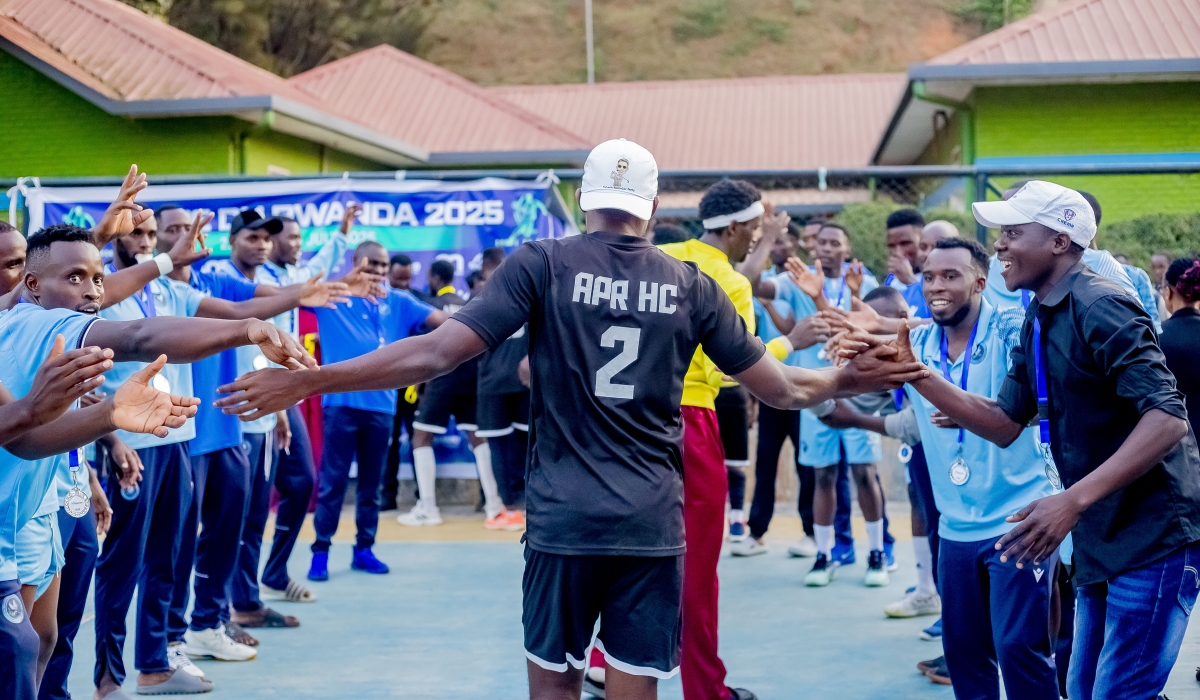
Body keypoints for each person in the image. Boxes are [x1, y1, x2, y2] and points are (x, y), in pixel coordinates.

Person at [215, 138, 928, 700]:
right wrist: (848, 374)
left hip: (564, 519)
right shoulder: (692, 284)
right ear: (651, 206)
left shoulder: (541, 263)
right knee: (635, 680)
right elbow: (779, 388)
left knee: (555, 682)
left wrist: (309, 379)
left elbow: (435, 354)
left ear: (586, 198)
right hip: (652, 520)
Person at [862, 180, 1200, 699]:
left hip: (1153, 537)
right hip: (1101, 536)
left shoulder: (1101, 304)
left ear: (1060, 242)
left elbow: (1167, 417)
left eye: (1013, 232)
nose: (999, 244)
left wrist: (1071, 501)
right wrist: (917, 374)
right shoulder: (1039, 316)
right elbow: (1003, 421)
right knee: (1084, 690)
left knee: (1119, 693)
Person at [7, 223, 311, 699]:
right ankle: (114, 678)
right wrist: (244, 331)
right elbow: (142, 335)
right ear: (31, 284)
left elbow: (29, 439)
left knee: (46, 637)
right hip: (17, 517)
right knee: (26, 643)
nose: (91, 291)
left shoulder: (47, 325)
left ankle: (148, 660)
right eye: (74, 279)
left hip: (47, 501)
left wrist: (100, 435)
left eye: (97, 278)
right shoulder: (36, 323)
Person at [93, 211, 323, 696]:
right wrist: (110, 442)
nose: (151, 242)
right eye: (141, 233)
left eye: (155, 234)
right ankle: (107, 678)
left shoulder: (174, 293)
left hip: (175, 439)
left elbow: (233, 313)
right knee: (121, 566)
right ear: (113, 237)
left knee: (167, 559)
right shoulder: (102, 296)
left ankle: (155, 663)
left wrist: (275, 317)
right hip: (131, 446)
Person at [829, 239, 1061, 695]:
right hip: (955, 527)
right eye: (930, 276)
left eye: (951, 276)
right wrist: (841, 358)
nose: (937, 285)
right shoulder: (912, 344)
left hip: (1020, 519)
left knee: (1018, 648)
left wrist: (960, 403)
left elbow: (1024, 411)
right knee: (962, 655)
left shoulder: (1015, 330)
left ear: (979, 282)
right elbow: (864, 375)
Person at [657, 178, 798, 700]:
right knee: (697, 571)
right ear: (737, 227)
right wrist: (787, 344)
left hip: (627, 420)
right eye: (755, 231)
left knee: (626, 555)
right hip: (691, 421)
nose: (755, 240)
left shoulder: (662, 255)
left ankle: (604, 660)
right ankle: (705, 688)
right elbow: (735, 370)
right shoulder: (731, 285)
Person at [306, 241, 446, 579]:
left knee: (372, 485)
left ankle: (364, 550)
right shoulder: (332, 297)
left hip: (382, 407)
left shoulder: (399, 301)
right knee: (332, 483)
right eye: (372, 266)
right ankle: (320, 552)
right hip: (340, 404)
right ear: (356, 265)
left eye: (383, 266)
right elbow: (301, 284)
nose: (379, 273)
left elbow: (443, 322)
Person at [399, 259, 501, 528]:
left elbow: (424, 348)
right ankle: (494, 505)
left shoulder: (430, 306)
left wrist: (418, 383)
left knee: (421, 437)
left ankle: (428, 508)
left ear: (433, 278)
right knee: (478, 439)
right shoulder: (468, 303)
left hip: (442, 379)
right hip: (469, 379)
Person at [473, 251, 531, 531]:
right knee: (500, 447)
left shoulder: (526, 292)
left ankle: (516, 506)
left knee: (519, 445)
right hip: (500, 383)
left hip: (514, 382)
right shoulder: (483, 299)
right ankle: (501, 507)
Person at [883, 208, 924, 291]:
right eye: (891, 246)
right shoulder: (890, 282)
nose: (898, 253)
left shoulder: (939, 280)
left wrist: (910, 281)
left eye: (905, 243)